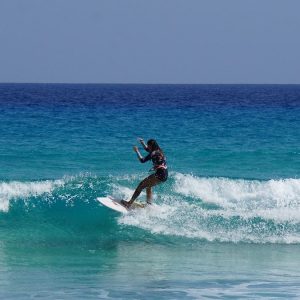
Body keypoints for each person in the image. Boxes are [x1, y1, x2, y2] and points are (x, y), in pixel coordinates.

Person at [121, 138, 168, 208]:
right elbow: (147, 149)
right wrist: (142, 142)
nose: (148, 147)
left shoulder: (153, 153)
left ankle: (129, 203)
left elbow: (142, 160)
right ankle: (149, 205)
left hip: (159, 174)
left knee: (141, 185)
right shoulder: (159, 151)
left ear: (151, 146)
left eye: (148, 146)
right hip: (165, 174)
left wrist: (137, 151)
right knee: (148, 186)